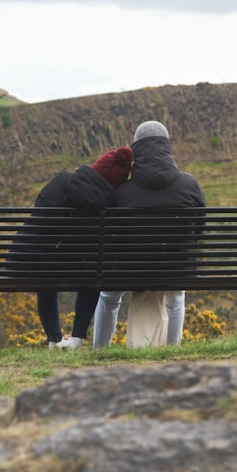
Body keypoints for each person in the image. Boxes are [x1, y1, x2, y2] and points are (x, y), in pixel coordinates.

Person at [93, 121, 207, 347]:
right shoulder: (190, 184)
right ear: (167, 147)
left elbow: (111, 235)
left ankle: (100, 349)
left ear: (137, 151)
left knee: (109, 296)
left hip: (131, 269)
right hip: (176, 266)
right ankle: (173, 349)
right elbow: (199, 229)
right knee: (176, 297)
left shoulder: (122, 191)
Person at [29, 146, 134, 349]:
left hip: (38, 266)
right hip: (82, 271)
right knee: (93, 272)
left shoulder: (61, 181)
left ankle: (53, 339)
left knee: (46, 273)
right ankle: (77, 338)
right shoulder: (110, 204)